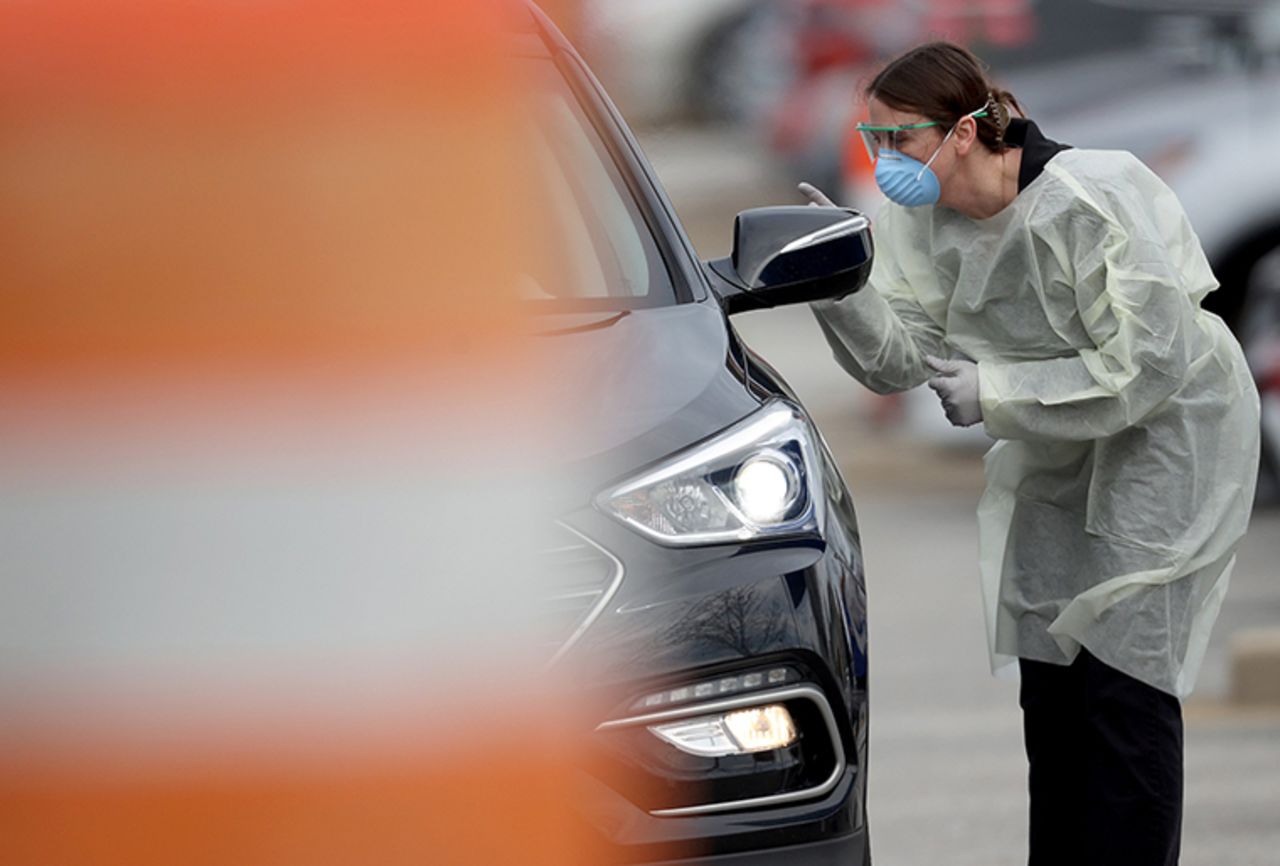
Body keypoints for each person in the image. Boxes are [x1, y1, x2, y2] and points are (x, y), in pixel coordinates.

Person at [800, 41, 1260, 866]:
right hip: (1057, 444)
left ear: (965, 132)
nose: (885, 161)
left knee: (1124, 687)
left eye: (897, 139)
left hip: (1167, 436)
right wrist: (841, 286)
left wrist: (999, 393)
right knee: (1054, 689)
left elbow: (1147, 366)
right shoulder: (923, 220)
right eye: (873, 142)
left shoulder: (1093, 196)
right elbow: (899, 357)